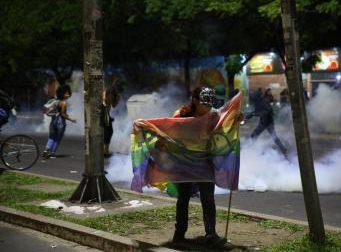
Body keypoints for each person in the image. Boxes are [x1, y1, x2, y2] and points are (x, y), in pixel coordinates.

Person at [133, 87, 228, 248]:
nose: (208, 107)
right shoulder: (181, 115)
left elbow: (223, 126)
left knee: (208, 198)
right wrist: (145, 126)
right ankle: (179, 234)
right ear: (196, 101)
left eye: (210, 104)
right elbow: (165, 131)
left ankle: (211, 234)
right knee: (183, 199)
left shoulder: (213, 116)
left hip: (204, 162)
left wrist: (236, 119)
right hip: (183, 164)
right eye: (205, 104)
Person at [249, 90, 287, 157]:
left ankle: (251, 150)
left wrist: (254, 114)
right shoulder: (259, 101)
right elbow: (258, 111)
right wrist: (250, 115)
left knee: (254, 136)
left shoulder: (263, 101)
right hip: (265, 122)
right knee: (272, 137)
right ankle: (283, 149)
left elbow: (267, 111)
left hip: (267, 122)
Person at [42, 85, 76, 159]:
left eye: (68, 93)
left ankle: (46, 149)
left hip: (53, 121)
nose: (68, 95)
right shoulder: (64, 103)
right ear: (62, 94)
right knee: (58, 138)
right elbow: (62, 114)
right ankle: (52, 153)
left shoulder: (55, 101)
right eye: (66, 93)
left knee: (51, 137)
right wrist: (71, 119)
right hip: (60, 123)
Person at [102, 88, 120, 158]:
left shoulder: (111, 97)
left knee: (109, 132)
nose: (111, 98)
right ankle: (104, 151)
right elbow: (103, 105)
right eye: (111, 96)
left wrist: (117, 99)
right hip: (103, 114)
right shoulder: (104, 95)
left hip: (107, 115)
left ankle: (106, 151)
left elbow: (113, 106)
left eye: (113, 97)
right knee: (107, 132)